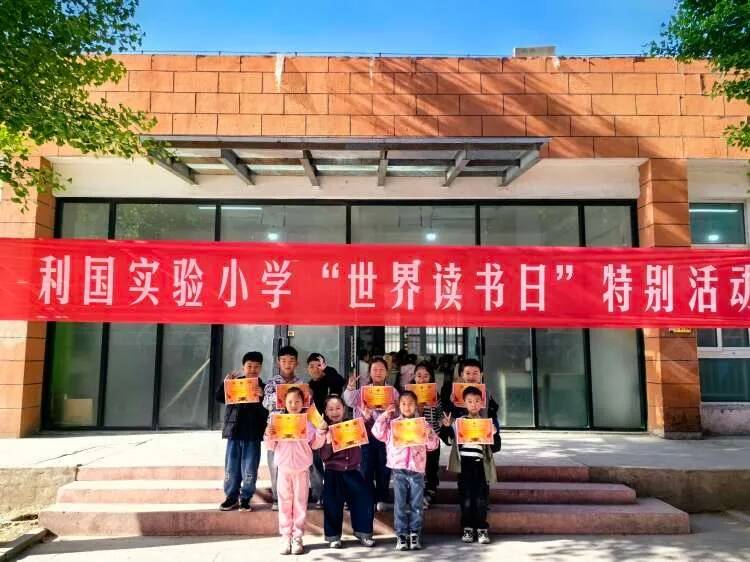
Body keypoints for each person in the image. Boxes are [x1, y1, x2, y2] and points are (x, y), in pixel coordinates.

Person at [372, 390, 439, 551]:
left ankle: (415, 534)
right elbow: (377, 433)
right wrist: (384, 416)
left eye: (410, 404)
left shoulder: (423, 424)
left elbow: (433, 445)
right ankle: (401, 535)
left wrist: (430, 434)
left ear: (416, 406)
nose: (407, 407)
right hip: (399, 469)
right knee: (400, 504)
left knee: (416, 504)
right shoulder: (392, 424)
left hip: (417, 469)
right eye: (403, 404)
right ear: (398, 406)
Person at [264, 387, 327, 555]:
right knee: (284, 503)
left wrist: (321, 431)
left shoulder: (308, 423)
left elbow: (315, 444)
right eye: (290, 401)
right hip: (283, 470)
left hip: (302, 470)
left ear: (303, 402)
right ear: (284, 403)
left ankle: (297, 537)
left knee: (300, 503)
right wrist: (268, 434)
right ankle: (285, 537)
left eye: (297, 401)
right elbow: (270, 446)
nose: (293, 405)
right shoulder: (277, 421)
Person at [439, 385, 502, 545]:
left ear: (482, 403)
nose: (473, 404)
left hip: (480, 466)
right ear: (464, 403)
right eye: (470, 401)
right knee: (466, 498)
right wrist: (446, 427)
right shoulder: (459, 422)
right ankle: (467, 528)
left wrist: (494, 433)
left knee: (481, 499)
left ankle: (482, 528)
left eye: (477, 401)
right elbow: (449, 440)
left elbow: (495, 447)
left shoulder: (486, 423)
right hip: (464, 466)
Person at [318, 395, 376, 549]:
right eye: (330, 409)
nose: (335, 412)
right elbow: (324, 456)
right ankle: (333, 537)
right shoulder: (324, 430)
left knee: (363, 499)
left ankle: (364, 533)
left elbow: (368, 433)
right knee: (332, 504)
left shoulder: (353, 425)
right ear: (325, 412)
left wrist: (367, 419)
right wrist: (328, 442)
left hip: (352, 471)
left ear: (344, 409)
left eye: (338, 408)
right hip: (332, 473)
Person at [343, 357, 399, 512]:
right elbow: (349, 401)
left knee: (384, 466)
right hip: (366, 434)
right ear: (369, 373)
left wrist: (392, 410)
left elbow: (398, 413)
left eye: (381, 369)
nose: (378, 372)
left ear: (387, 372)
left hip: (385, 436)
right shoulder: (363, 390)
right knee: (366, 467)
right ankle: (367, 497)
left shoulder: (393, 391)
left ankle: (381, 497)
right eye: (375, 369)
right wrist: (350, 387)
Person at [215, 351, 269, 512]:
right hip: (234, 433)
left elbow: (268, 411)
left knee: (250, 468)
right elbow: (219, 398)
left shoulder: (264, 388)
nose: (252, 369)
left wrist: (263, 397)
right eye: (249, 366)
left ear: (261, 368)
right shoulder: (234, 384)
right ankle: (231, 497)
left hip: (253, 435)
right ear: (243, 367)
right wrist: (225, 384)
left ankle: (245, 498)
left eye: (256, 367)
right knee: (231, 467)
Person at [263, 345, 302, 511]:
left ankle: (296, 498)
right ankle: (277, 499)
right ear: (278, 362)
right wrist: (284, 394)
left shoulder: (301, 384)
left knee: (296, 465)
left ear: (297, 363)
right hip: (276, 429)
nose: (287, 364)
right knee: (275, 464)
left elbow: (306, 405)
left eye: (291, 361)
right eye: (284, 361)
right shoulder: (271, 383)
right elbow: (265, 403)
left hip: (296, 429)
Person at [306, 352, 344, 509]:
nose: (316, 369)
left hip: (333, 427)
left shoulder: (330, 378)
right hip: (315, 430)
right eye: (312, 366)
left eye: (319, 366)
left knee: (334, 462)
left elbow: (340, 382)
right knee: (315, 464)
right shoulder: (308, 386)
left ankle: (337, 494)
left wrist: (327, 369)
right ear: (307, 369)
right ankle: (319, 495)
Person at [412, 362, 442, 509]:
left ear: (431, 377)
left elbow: (440, 416)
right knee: (417, 467)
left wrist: (438, 430)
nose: (422, 379)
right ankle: (417, 494)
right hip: (414, 439)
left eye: (425, 376)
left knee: (431, 466)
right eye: (419, 376)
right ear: (414, 377)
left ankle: (430, 492)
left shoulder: (435, 395)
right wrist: (418, 408)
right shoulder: (409, 394)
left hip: (431, 438)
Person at [441, 358, 500, 430]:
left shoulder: (486, 393)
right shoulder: (453, 393)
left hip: (481, 433)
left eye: (475, 373)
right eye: (468, 373)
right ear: (462, 374)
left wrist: (495, 429)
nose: (471, 377)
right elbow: (448, 418)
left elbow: (493, 419)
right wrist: (451, 403)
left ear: (481, 375)